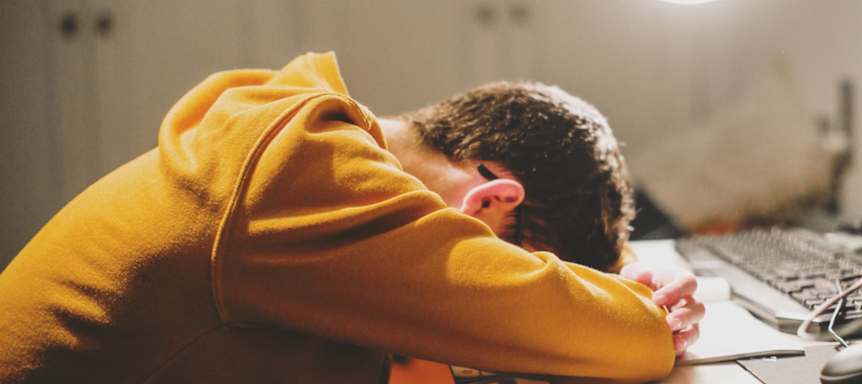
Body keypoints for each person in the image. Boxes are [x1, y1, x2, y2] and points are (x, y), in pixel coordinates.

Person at [0, 52, 702, 383]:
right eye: (523, 261)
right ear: (491, 203)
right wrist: (637, 314)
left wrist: (628, 273)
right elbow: (627, 343)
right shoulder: (304, 176)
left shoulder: (295, 142)